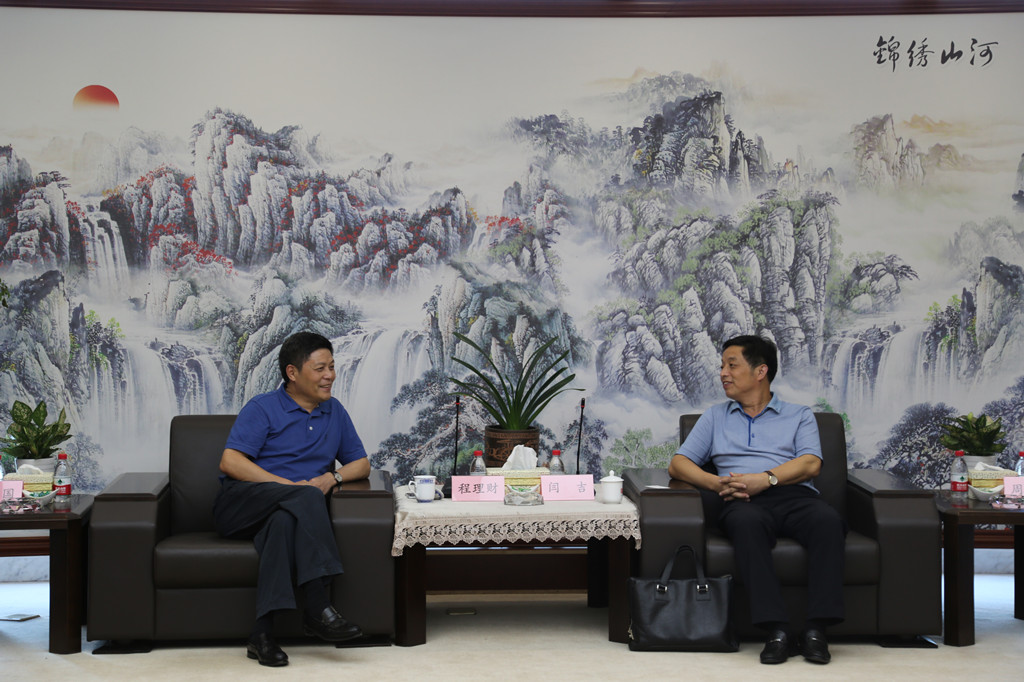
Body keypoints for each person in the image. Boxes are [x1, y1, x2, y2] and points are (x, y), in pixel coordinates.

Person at [668, 335, 845, 665]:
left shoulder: (798, 415)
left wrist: (765, 479)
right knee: (746, 524)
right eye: (722, 366)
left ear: (760, 371)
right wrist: (716, 483)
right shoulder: (716, 417)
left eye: (732, 365)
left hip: (793, 496)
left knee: (828, 521)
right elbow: (678, 464)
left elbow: (811, 463)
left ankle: (816, 630)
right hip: (741, 500)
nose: (723, 373)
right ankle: (776, 629)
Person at [213, 331, 371, 667]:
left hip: (290, 510)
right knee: (305, 497)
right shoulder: (263, 407)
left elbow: (361, 463)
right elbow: (230, 462)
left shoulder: (334, 412)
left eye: (331, 367)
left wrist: (331, 478)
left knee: (285, 522)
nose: (329, 376)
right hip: (241, 505)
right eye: (320, 368)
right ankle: (317, 606)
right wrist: (289, 486)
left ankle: (261, 634)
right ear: (293, 373)